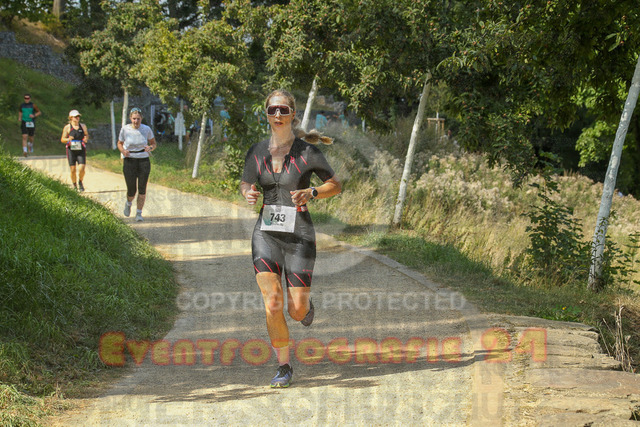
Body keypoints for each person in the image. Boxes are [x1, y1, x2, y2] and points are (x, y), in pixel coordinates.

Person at [240, 89, 341, 388]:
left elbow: (335, 184)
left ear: (293, 114)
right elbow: (246, 182)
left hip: (299, 236)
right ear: (266, 114)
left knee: (295, 311)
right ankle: (283, 366)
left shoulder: (307, 152)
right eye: (272, 110)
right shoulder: (257, 151)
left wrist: (312, 192)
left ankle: (305, 307)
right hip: (266, 234)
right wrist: (248, 193)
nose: (278, 115)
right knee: (272, 302)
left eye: (283, 110)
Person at [117, 107, 157, 222]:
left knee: (142, 188)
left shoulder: (146, 129)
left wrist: (150, 148)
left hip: (143, 160)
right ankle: (129, 203)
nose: (136, 121)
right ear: (130, 118)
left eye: (138, 119)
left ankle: (139, 213)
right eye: (134, 119)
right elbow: (119, 143)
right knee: (131, 190)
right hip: (130, 160)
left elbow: (153, 143)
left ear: (141, 118)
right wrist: (123, 151)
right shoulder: (125, 129)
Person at [60, 110, 89, 191]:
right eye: (75, 117)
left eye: (78, 116)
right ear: (71, 118)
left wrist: (86, 138)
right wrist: (68, 139)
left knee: (82, 168)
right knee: (73, 170)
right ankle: (74, 185)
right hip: (71, 150)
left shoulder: (83, 126)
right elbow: (62, 139)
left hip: (81, 150)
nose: (77, 118)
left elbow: (86, 135)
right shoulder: (67, 127)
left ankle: (80, 181)